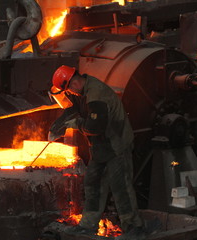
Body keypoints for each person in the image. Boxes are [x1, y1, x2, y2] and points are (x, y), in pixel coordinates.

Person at [48, 65, 145, 240]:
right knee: (93, 184)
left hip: (116, 145)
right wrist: (59, 125)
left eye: (68, 88)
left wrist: (76, 124)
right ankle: (88, 225)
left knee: (120, 187)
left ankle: (134, 228)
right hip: (101, 148)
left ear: (75, 83)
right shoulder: (82, 92)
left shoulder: (96, 94)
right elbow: (74, 109)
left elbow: (95, 127)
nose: (69, 92)